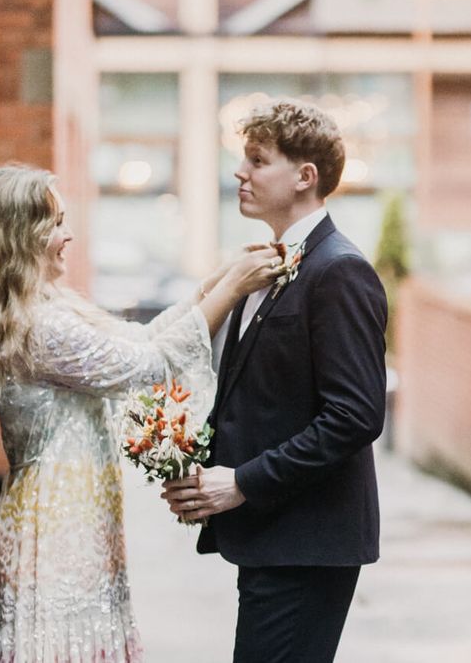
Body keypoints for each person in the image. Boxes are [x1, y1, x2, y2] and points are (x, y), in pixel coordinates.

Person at [0, 164, 280, 662]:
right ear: (19, 236)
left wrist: (213, 284)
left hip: (75, 517)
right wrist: (232, 291)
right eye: (56, 223)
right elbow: (149, 366)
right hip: (56, 528)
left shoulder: (43, 308)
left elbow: (140, 339)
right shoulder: (38, 326)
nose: (69, 234)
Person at [161, 99, 388, 662]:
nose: (240, 173)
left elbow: (355, 416)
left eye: (258, 160)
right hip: (275, 538)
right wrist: (194, 467)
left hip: (309, 542)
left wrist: (241, 482)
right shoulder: (268, 263)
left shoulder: (339, 270)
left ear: (305, 176)